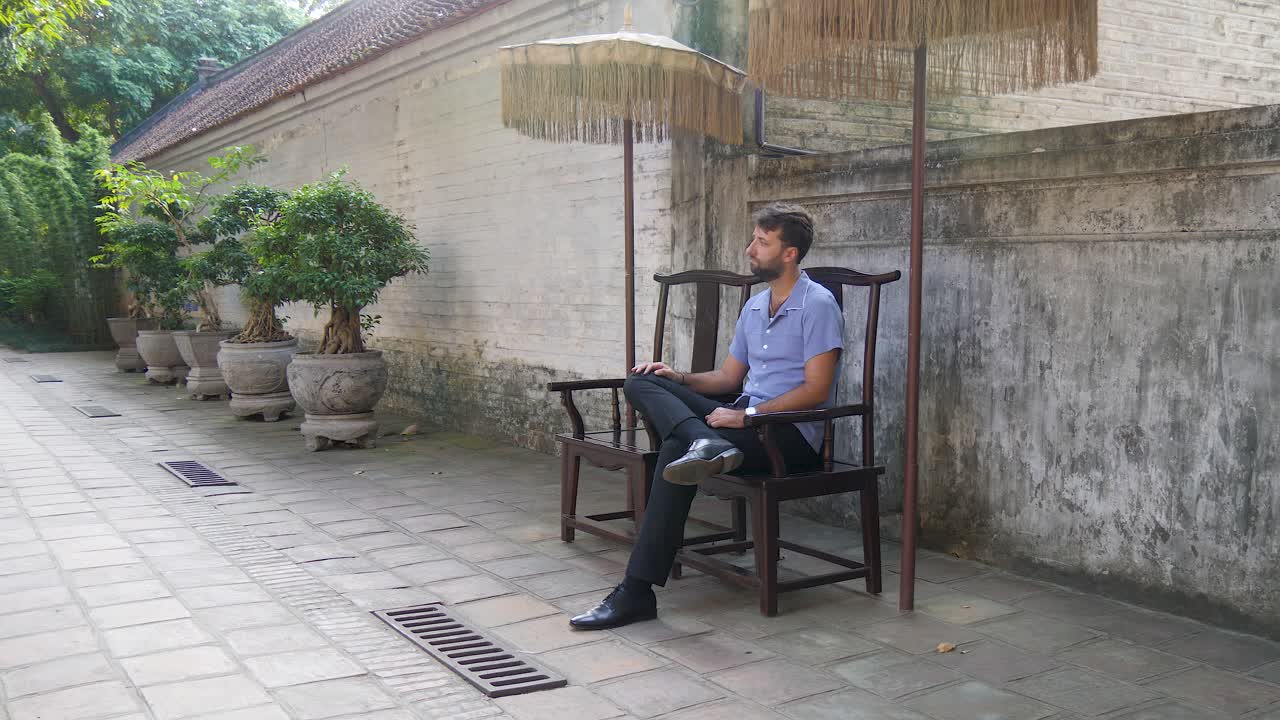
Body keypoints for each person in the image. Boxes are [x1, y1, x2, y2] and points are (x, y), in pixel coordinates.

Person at [569, 202, 844, 630]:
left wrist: (748, 415)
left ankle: (636, 592)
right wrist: (677, 376)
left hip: (786, 437)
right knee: (642, 380)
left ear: (789, 253)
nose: (750, 248)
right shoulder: (755, 307)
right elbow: (726, 377)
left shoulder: (818, 304)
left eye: (762, 242)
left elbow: (817, 389)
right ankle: (703, 441)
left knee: (677, 446)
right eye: (753, 238)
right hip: (737, 426)